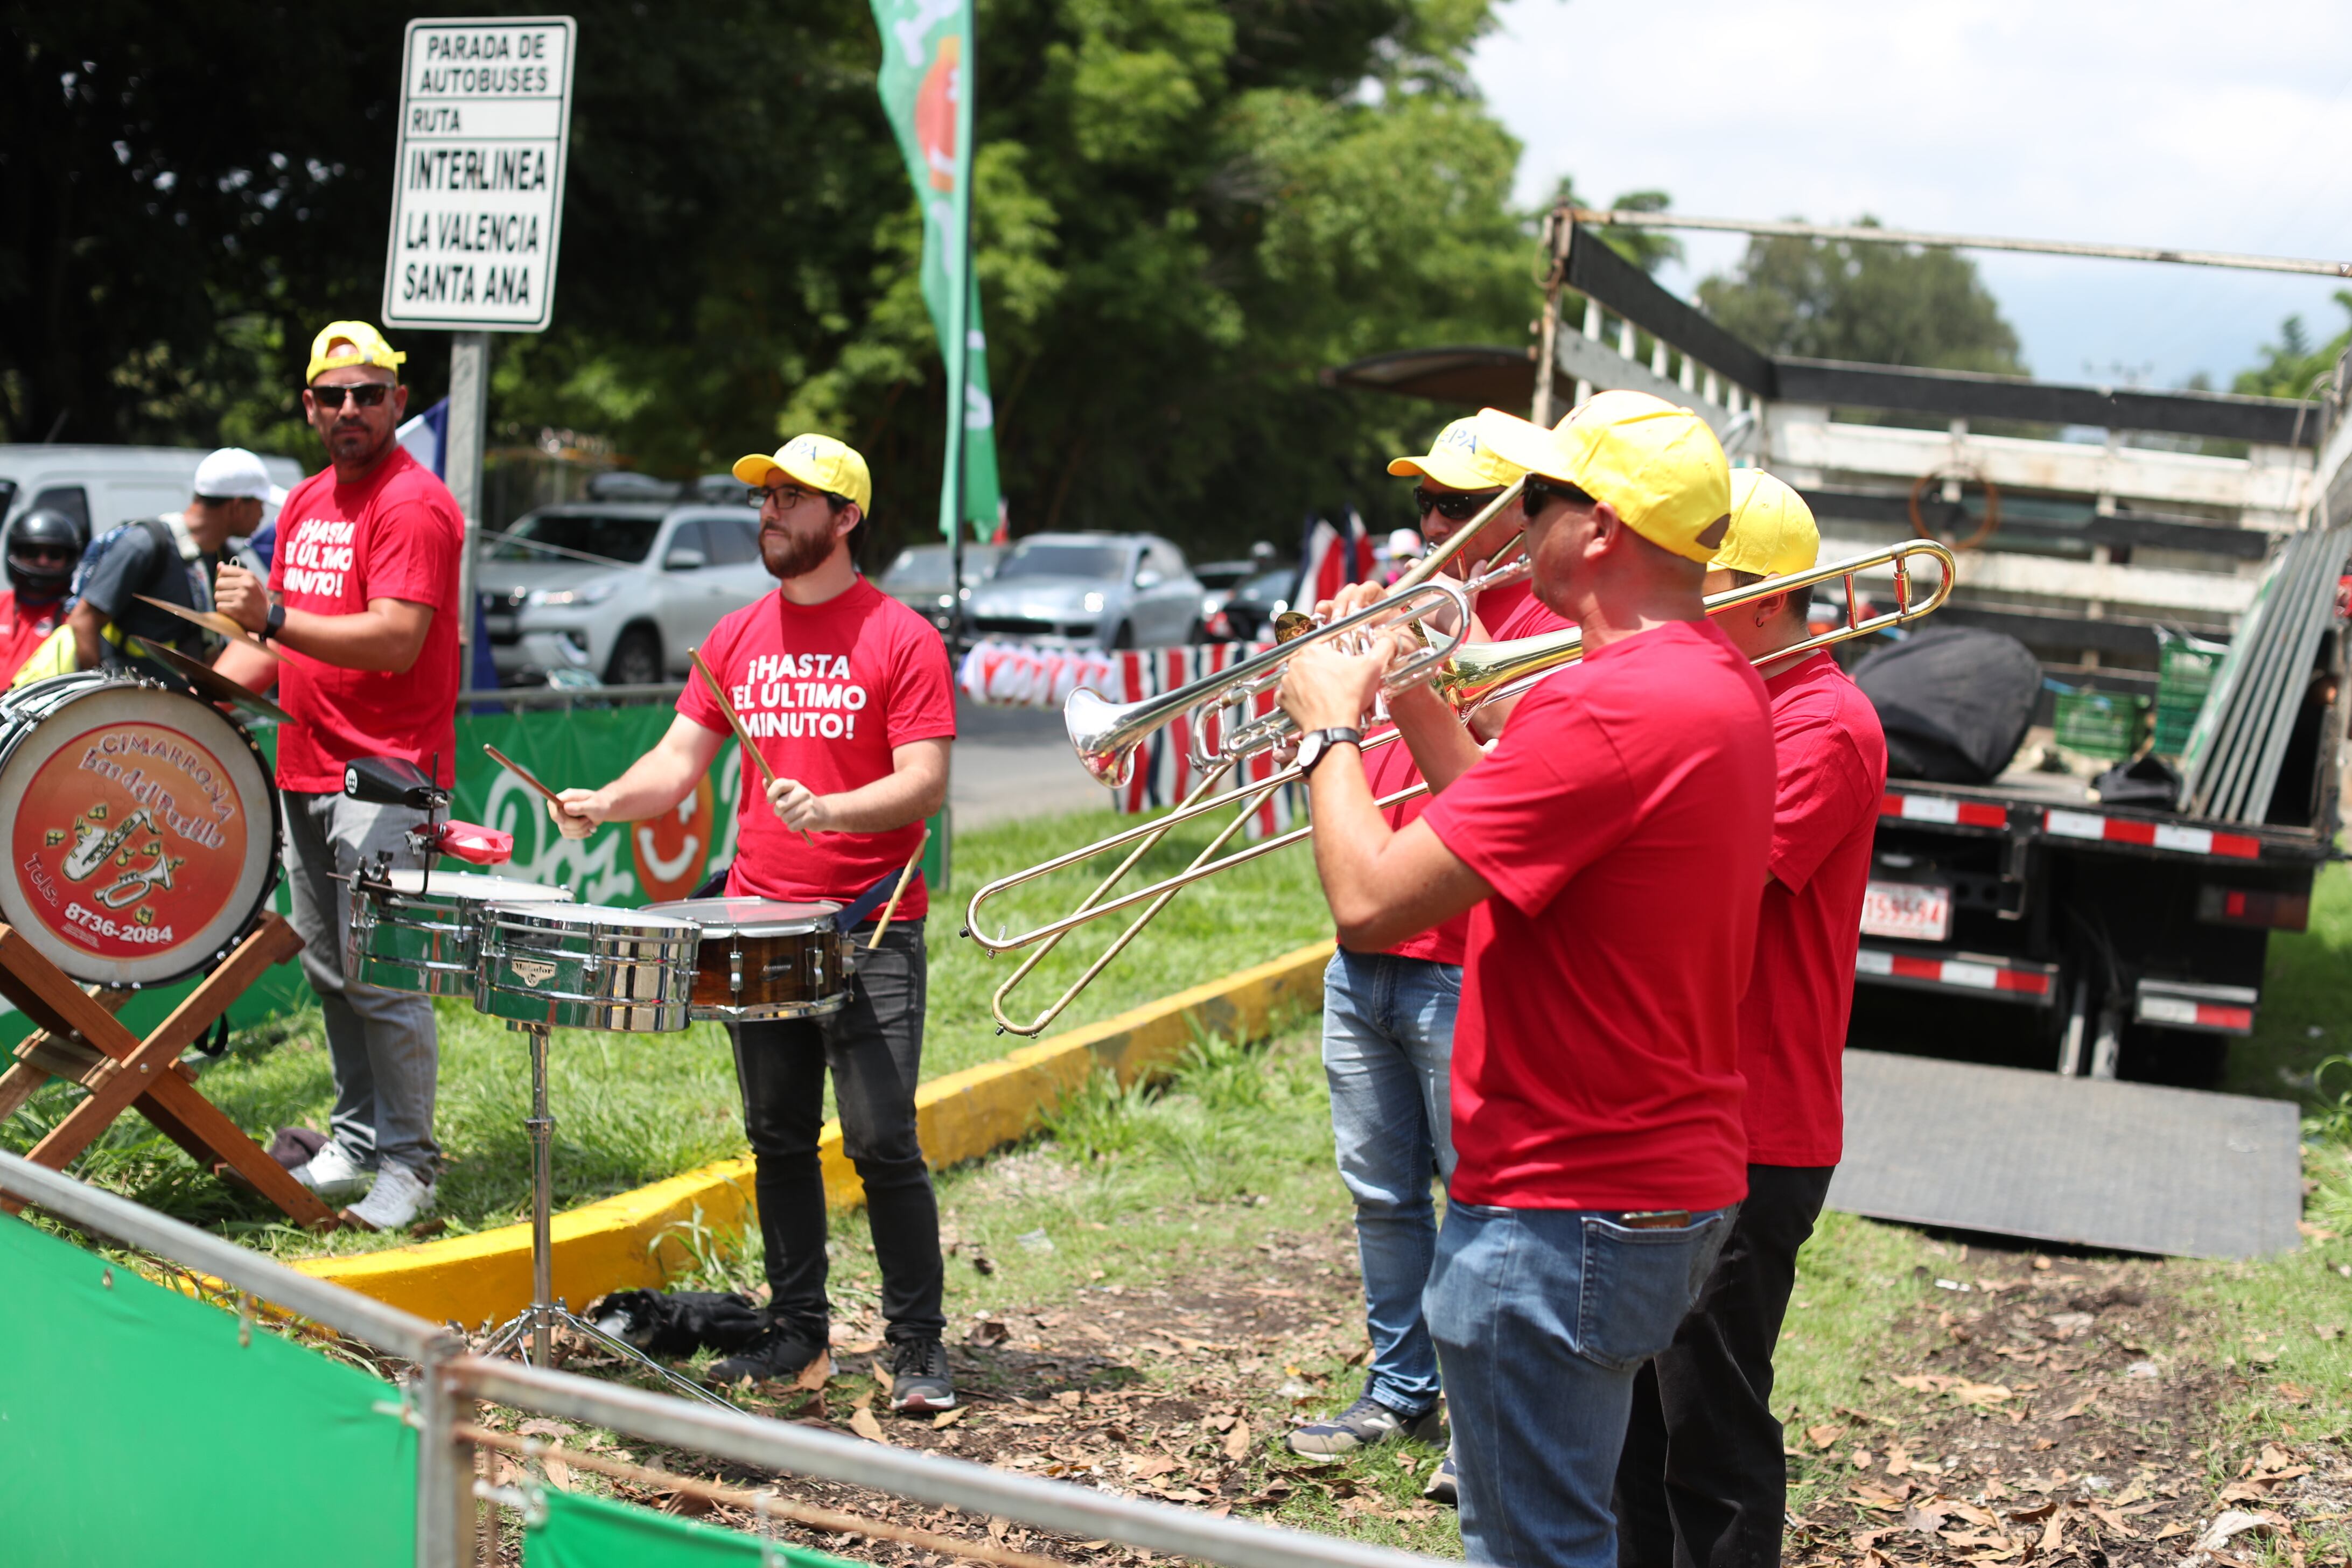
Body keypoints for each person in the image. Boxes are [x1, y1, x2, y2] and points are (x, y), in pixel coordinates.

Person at [1273, 390, 1774, 1568]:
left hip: (1559, 1205)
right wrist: (1405, 686)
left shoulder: (1606, 706)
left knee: (1533, 1551)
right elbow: (1510, 823)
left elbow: (1368, 901)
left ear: (1599, 528)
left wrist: (1327, 727)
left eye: (1535, 497)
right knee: (1576, 1532)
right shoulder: (1711, 679)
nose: (1512, 521)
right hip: (1653, 1180)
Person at [546, 433, 960, 1413]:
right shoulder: (735, 638)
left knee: (881, 1139)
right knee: (778, 1135)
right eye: (765, 496)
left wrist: (835, 808)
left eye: (791, 497)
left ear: (845, 518)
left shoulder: (903, 636)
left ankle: (916, 1344)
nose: (769, 511)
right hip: (761, 926)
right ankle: (796, 1329)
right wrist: (607, 800)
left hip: (870, 926)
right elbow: (676, 762)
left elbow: (925, 783)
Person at [1613, 472, 1888, 1568]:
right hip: (1674, 1107)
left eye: (1698, 582)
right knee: (1634, 1419)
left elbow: (1712, 884)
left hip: (1755, 1125)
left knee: (1710, 1418)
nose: (1671, 603)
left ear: (1768, 599)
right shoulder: (1719, 706)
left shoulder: (1826, 722)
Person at [1283, 419, 1539, 1509]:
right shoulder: (1396, 603)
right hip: (1365, 954)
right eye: (1425, 503)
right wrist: (1325, 687)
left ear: (1522, 513)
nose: (1433, 525)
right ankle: (1400, 1389)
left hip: (1466, 962)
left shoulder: (1545, 632)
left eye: (1458, 506)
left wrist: (1433, 656)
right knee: (1381, 1195)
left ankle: (1482, 1421)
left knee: (1481, 1202)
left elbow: (1503, 797)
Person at [211, 321, 465, 1234]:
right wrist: (197, 695)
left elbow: (395, 638)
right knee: (331, 969)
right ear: (309, 407)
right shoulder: (310, 502)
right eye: (333, 395)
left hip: (386, 774)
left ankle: (411, 1164)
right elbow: (271, 646)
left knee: (385, 977)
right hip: (305, 761)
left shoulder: (414, 504)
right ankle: (357, 1142)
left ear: (399, 401)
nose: (350, 408)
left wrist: (271, 618)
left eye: (368, 393)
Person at [64, 447, 279, 685]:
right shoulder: (144, 545)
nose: (263, 514)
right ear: (237, 507)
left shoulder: (226, 560)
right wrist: (103, 696)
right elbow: (83, 620)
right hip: (127, 700)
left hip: (180, 703)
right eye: (260, 504)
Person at [0, 508, 81, 684]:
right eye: (33, 552)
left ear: (68, 559)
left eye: (54, 555)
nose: (43, 561)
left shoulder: (77, 617)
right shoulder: (1, 604)